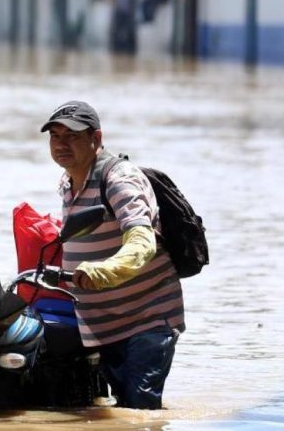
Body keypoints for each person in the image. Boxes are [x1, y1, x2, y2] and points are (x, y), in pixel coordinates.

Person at [41, 100, 185, 409]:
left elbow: (141, 242)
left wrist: (102, 270)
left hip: (146, 319)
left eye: (72, 136)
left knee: (140, 411)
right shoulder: (67, 182)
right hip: (100, 323)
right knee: (117, 412)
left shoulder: (120, 179)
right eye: (55, 136)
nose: (61, 144)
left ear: (96, 138)